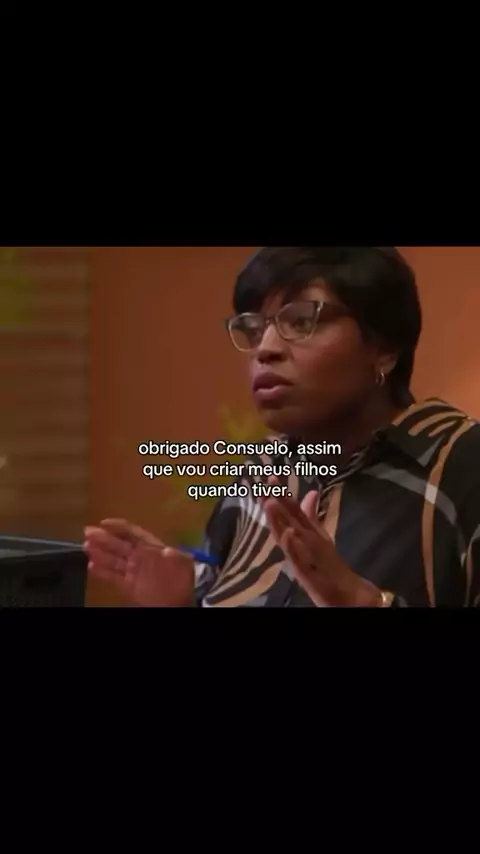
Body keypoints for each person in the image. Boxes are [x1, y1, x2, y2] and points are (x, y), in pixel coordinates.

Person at [85, 247, 480, 607]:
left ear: (384, 348)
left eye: (302, 321)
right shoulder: (262, 471)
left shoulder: (461, 466)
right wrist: (182, 603)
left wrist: (361, 602)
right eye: (255, 329)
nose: (265, 349)